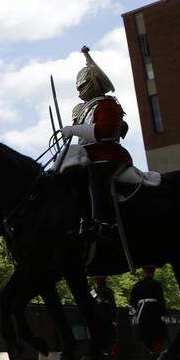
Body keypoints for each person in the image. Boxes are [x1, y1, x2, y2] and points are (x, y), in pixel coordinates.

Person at [59, 46, 131, 238]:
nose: (79, 91)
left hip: (108, 156)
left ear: (93, 83)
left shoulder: (107, 104)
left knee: (94, 174)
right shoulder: (82, 109)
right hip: (88, 155)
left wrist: (72, 130)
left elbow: (103, 132)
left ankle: (103, 221)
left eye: (82, 86)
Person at [129, 266, 167, 360]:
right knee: (159, 332)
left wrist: (135, 310)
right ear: (153, 272)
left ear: (144, 272)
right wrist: (163, 313)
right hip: (155, 311)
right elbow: (161, 300)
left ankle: (153, 350)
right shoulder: (157, 284)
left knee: (144, 332)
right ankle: (156, 351)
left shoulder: (138, 284)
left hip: (143, 311)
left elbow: (132, 300)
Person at [90, 276, 118, 358]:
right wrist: (114, 318)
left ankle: (100, 350)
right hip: (107, 316)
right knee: (110, 334)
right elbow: (112, 305)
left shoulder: (93, 292)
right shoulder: (108, 291)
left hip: (96, 316)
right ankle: (107, 351)